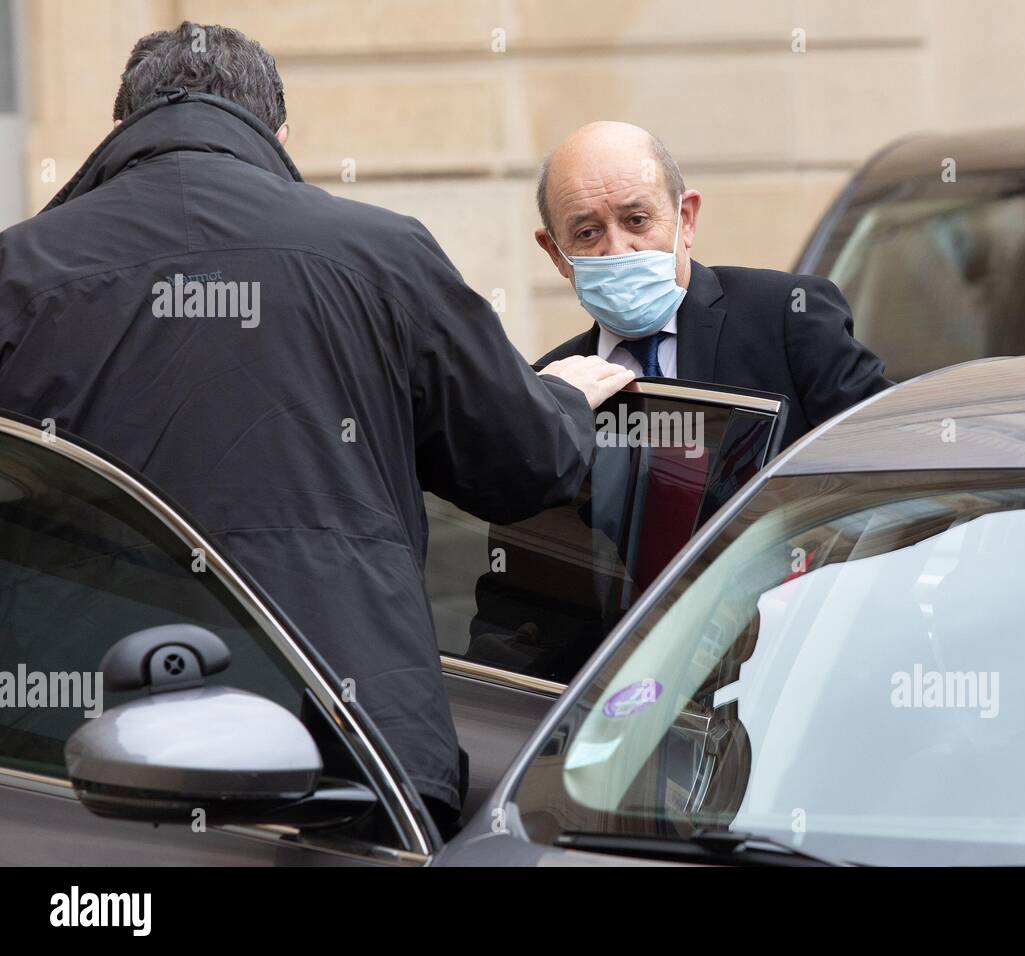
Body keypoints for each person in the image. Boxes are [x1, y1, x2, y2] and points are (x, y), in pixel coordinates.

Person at [0, 23, 632, 838]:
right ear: (280, 135)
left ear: (119, 131)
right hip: (345, 757)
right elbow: (523, 463)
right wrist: (564, 402)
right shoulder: (380, 253)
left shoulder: (19, 273)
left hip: (68, 761)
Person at [534, 121, 892, 448]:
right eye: (587, 232)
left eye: (637, 220)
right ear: (555, 253)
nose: (618, 249)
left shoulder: (786, 318)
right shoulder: (548, 389)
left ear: (685, 219)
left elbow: (889, 454)